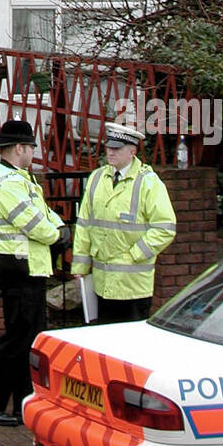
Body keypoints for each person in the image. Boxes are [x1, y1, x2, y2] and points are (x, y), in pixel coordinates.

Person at [0, 118, 68, 426]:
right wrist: (59, 236)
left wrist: (59, 226)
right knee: (16, 340)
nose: (33, 154)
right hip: (19, 271)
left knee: (29, 339)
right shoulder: (10, 184)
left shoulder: (20, 179)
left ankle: (25, 403)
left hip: (27, 269)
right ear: (20, 148)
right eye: (30, 148)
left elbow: (43, 212)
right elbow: (35, 223)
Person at [71, 121, 176, 323]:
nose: (110, 153)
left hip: (133, 286)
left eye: (116, 149)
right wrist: (80, 267)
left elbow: (165, 228)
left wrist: (134, 254)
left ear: (132, 152)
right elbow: (84, 225)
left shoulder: (148, 182)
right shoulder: (97, 178)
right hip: (102, 283)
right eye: (109, 147)